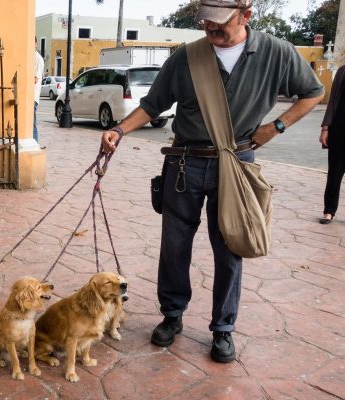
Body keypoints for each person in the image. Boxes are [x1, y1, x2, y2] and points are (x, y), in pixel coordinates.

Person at [100, 0, 324, 363]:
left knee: (230, 248)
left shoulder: (276, 52)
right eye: (206, 24)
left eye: (221, 24)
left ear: (246, 15)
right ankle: (172, 316)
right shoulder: (187, 56)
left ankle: (223, 329)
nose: (212, 31)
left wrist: (275, 127)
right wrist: (118, 130)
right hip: (185, 164)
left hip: (235, 165)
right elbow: (153, 104)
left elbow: (313, 92)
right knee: (174, 246)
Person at [319, 64, 345, 224]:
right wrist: (325, 128)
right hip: (340, 130)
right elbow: (333, 102)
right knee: (334, 173)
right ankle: (329, 211)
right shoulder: (343, 71)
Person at [34, 37, 44, 148]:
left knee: (32, 123)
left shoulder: (38, 59)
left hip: (33, 96)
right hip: (27, 96)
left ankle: (35, 144)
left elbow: (35, 79)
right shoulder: (28, 57)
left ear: (36, 44)